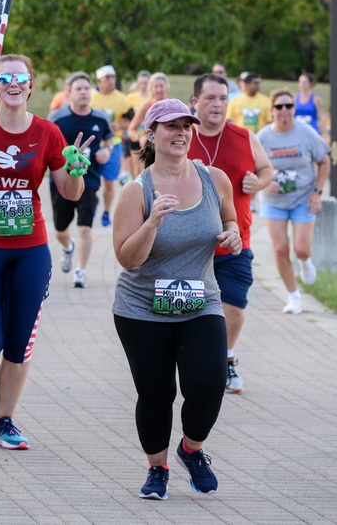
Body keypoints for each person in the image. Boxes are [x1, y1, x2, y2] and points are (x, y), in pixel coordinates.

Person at [0, 54, 91, 450]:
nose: (13, 83)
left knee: (20, 341)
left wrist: (77, 170)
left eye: (20, 78)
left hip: (29, 249)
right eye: (4, 77)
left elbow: (69, 193)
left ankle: (4, 420)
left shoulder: (47, 133)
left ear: (30, 86)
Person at [112, 98, 242, 500]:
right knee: (156, 393)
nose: (181, 132)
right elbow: (127, 259)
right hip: (141, 308)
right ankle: (157, 469)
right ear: (151, 134)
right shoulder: (137, 192)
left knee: (209, 383)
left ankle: (192, 449)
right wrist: (152, 222)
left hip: (200, 301)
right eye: (171, 126)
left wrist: (233, 234)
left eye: (187, 125)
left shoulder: (213, 179)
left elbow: (230, 219)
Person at [188, 74, 273, 394]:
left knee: (234, 305)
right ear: (195, 102)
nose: (218, 104)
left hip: (237, 239)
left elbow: (266, 170)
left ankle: (226, 358)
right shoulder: (182, 136)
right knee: (191, 309)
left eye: (223, 98)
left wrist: (258, 182)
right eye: (210, 98)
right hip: (190, 245)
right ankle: (189, 361)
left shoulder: (243, 136)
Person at [257, 88, 330, 314]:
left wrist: (317, 192)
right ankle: (294, 297)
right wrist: (264, 182)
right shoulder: (263, 138)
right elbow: (251, 167)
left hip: (302, 198)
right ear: (272, 111)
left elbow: (325, 161)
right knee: (279, 249)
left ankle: (305, 262)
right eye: (279, 106)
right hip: (273, 201)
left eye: (289, 105)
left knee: (301, 249)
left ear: (294, 109)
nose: (284, 110)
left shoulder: (306, 133)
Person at [48, 74, 113, 288]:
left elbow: (108, 138)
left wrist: (106, 150)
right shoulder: (57, 117)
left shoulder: (101, 118)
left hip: (90, 179)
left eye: (87, 88)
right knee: (59, 230)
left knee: (85, 228)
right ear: (69, 94)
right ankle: (68, 248)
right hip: (60, 181)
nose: (84, 92)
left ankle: (80, 271)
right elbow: (45, 145)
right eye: (79, 89)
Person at [90, 64, 133, 226]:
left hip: (113, 144)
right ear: (99, 80)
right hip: (93, 144)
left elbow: (131, 122)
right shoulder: (90, 96)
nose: (111, 80)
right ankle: (92, 204)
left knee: (109, 182)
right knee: (91, 181)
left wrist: (119, 126)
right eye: (107, 78)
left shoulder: (122, 99)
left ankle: (107, 211)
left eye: (113, 77)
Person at [125, 72, 170, 181]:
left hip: (168, 148)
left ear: (167, 87)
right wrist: (140, 138)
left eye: (161, 86)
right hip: (149, 150)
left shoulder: (172, 104)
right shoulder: (146, 107)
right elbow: (131, 129)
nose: (159, 89)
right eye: (156, 86)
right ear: (151, 88)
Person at [295, 72, 326, 136]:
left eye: (304, 82)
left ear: (310, 83)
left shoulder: (315, 99)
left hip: (312, 133)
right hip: (297, 133)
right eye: (300, 82)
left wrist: (324, 135)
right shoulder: (295, 98)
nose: (302, 84)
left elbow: (321, 117)